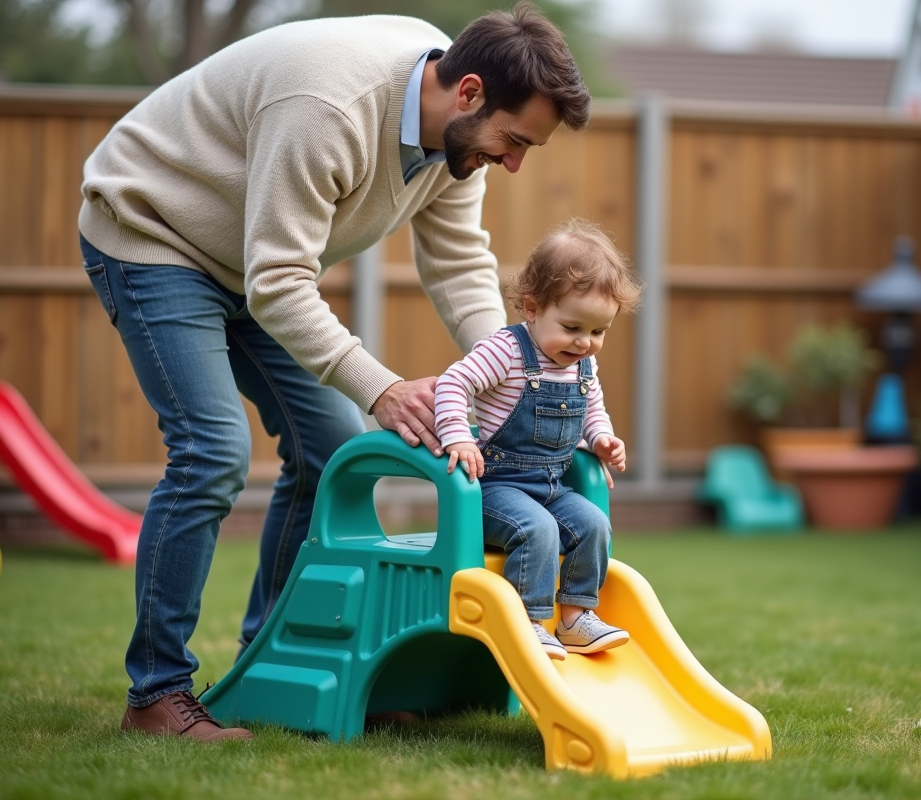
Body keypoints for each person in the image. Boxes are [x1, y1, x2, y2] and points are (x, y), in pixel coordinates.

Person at [77, 3, 590, 741]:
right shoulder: (328, 106)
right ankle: (156, 695)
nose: (513, 163)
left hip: (252, 260)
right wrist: (380, 387)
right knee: (212, 451)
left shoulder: (457, 138)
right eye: (514, 142)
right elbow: (281, 281)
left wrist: (513, 375)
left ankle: (275, 668)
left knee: (330, 452)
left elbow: (457, 261)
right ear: (469, 92)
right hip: (154, 231)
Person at [434, 219, 642, 660]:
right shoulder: (506, 351)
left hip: (550, 486)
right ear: (532, 307)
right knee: (539, 529)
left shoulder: (581, 364)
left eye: (598, 332)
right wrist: (458, 436)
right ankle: (528, 622)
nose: (585, 342)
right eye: (572, 327)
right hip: (496, 489)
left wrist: (602, 438)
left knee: (593, 524)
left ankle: (575, 619)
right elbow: (453, 383)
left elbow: (592, 409)